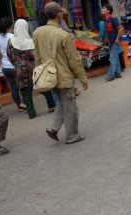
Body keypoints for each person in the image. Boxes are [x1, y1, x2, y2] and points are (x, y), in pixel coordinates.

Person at [33, 2, 88, 144]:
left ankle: (53, 128)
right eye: (61, 13)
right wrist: (83, 78)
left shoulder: (37, 32)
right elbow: (74, 59)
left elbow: (37, 57)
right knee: (71, 107)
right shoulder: (63, 35)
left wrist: (40, 76)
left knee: (63, 103)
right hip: (63, 77)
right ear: (58, 15)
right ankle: (71, 136)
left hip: (48, 77)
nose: (63, 15)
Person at [7, 19, 56, 119]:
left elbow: (9, 56)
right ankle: (51, 105)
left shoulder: (10, 42)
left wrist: (17, 64)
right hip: (33, 69)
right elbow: (36, 55)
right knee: (42, 86)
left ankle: (31, 113)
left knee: (26, 93)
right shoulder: (30, 41)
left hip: (19, 70)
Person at [0, 17, 25, 112]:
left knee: (13, 86)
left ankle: (19, 105)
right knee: (22, 85)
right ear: (11, 25)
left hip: (5, 66)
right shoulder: (13, 37)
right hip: (14, 65)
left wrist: (2, 59)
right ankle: (25, 103)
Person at [102, 3, 124, 81]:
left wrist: (117, 38)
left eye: (104, 8)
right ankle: (118, 73)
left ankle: (111, 75)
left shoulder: (113, 18)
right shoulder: (105, 19)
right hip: (110, 42)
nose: (102, 9)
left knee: (112, 58)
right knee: (115, 57)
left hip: (115, 42)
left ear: (108, 10)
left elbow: (121, 29)